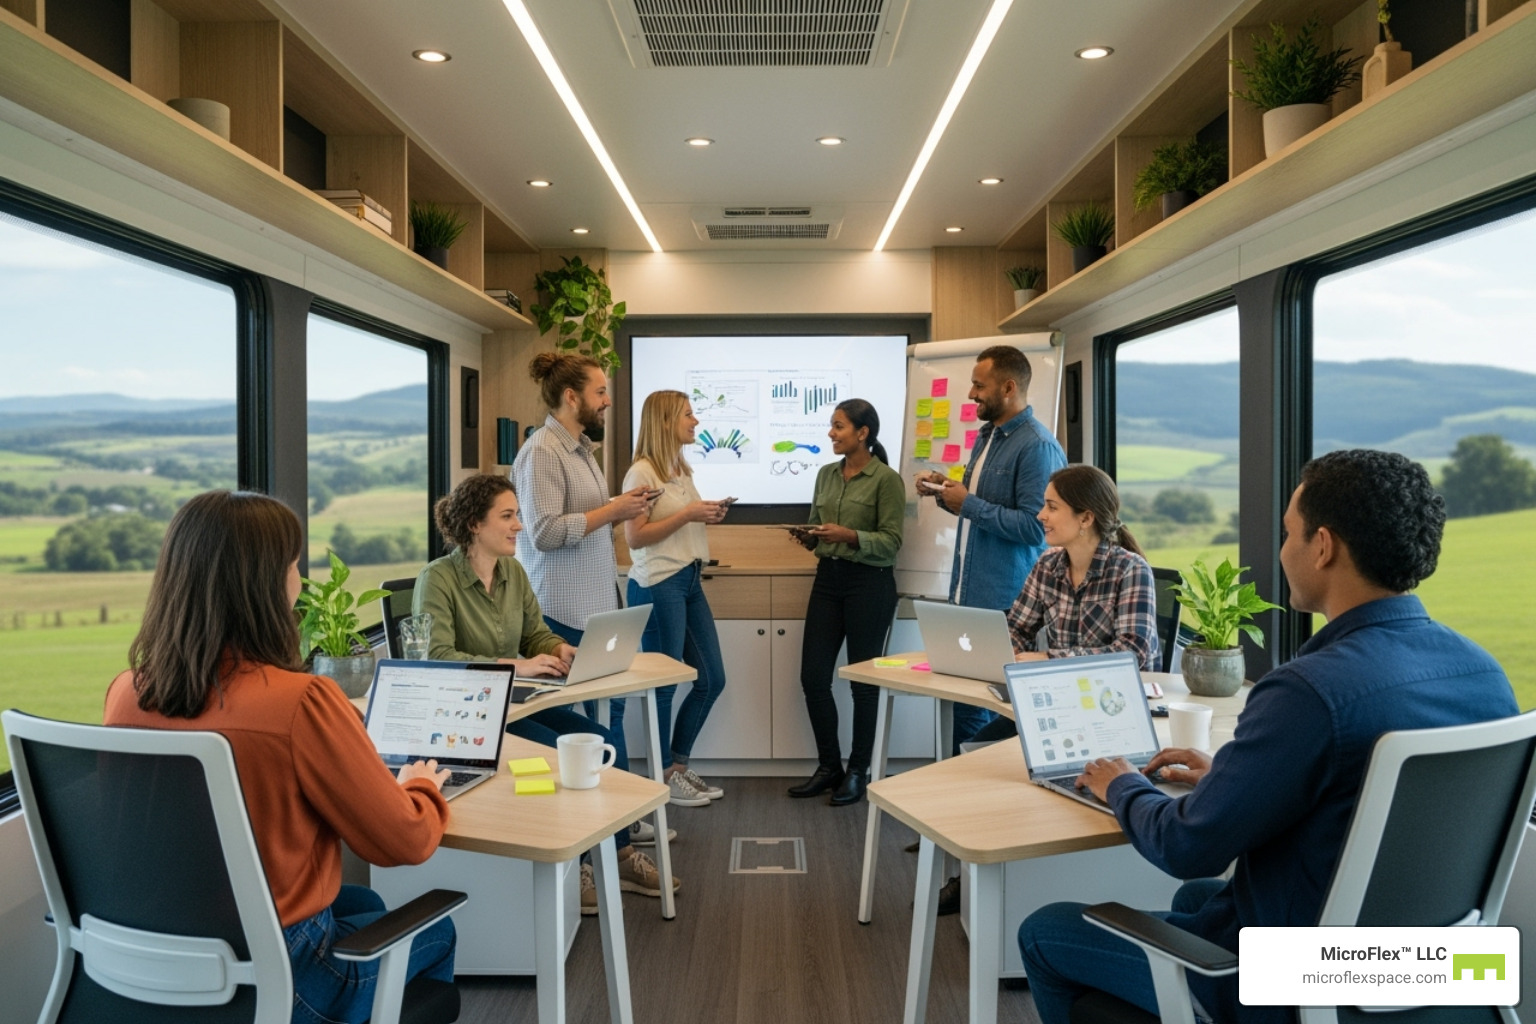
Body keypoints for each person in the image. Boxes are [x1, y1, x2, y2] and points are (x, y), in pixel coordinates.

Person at [1018, 449, 1518, 1024]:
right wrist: (1230, 777)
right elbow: (1359, 795)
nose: (1283, 551)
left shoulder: (1310, 690)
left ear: (1323, 546)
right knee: (1199, 901)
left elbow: (1186, 847)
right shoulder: (1484, 674)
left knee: (1045, 929)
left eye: (1288, 533)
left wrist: (1123, 784)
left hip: (1299, 981)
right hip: (1434, 970)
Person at [103, 490, 456, 1024]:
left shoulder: (126, 692)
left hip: (151, 959)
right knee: (438, 928)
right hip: (281, 978)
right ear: (265, 586)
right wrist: (421, 785)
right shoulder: (300, 702)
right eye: (294, 565)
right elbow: (403, 841)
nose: (299, 579)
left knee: (363, 907)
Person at [414, 473, 679, 913]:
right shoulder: (437, 579)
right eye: (508, 516)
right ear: (474, 525)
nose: (519, 526)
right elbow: (438, 656)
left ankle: (619, 855)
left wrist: (558, 648)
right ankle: (575, 868)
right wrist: (519, 665)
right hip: (470, 713)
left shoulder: (513, 573)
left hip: (512, 701)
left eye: (517, 515)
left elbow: (535, 632)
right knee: (556, 758)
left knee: (603, 740)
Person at [511, 351, 655, 844]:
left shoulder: (580, 450)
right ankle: (605, 844)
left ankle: (622, 827)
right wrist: (613, 509)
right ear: (571, 397)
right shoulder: (541, 453)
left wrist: (620, 510)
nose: (607, 400)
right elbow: (545, 531)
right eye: (599, 391)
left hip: (595, 608)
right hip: (560, 615)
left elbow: (587, 521)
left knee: (611, 718)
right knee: (588, 732)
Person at [917, 344, 1066, 754]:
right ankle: (961, 802)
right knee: (964, 705)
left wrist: (970, 504)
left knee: (998, 713)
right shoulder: (987, 437)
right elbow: (979, 506)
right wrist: (944, 492)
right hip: (969, 596)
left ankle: (975, 803)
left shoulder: (1036, 446)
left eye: (979, 386)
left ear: (1009, 387)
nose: (970, 394)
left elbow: (1037, 529)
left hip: (1007, 602)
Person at [964, 465, 1160, 758]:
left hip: (1115, 711)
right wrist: (1003, 655)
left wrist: (1048, 659)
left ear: (1086, 518)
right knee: (976, 751)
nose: (1041, 515)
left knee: (995, 757)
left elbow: (1130, 652)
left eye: (1052, 507)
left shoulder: (1130, 569)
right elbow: (1017, 627)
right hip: (1062, 701)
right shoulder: (1049, 563)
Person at [786, 398, 905, 806]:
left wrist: (850, 536)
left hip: (869, 584)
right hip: (828, 580)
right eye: (831, 426)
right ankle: (829, 766)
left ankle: (858, 771)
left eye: (838, 427)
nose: (831, 434)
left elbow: (891, 543)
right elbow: (822, 528)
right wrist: (811, 537)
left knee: (863, 685)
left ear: (862, 433)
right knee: (813, 677)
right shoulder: (824, 474)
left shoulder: (886, 479)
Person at [623, 390, 731, 807]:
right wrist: (688, 514)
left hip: (688, 579)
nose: (696, 422)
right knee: (665, 686)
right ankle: (661, 779)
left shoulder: (678, 469)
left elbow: (678, 522)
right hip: (657, 584)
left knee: (712, 679)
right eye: (689, 414)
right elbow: (635, 537)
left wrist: (705, 513)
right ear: (666, 421)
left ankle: (676, 766)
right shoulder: (642, 474)